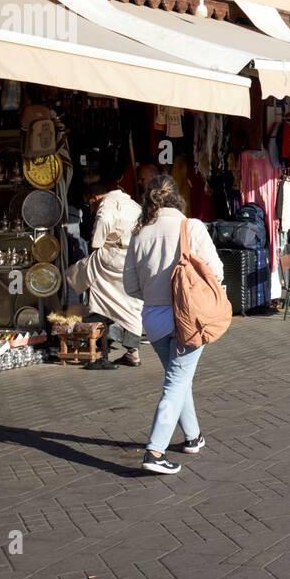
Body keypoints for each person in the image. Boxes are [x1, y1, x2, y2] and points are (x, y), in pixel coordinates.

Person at [124, 174, 224, 476]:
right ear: (176, 197)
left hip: (153, 320)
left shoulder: (139, 234)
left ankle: (193, 436)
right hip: (187, 319)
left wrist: (154, 293)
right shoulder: (190, 227)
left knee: (177, 378)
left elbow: (130, 286)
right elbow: (216, 272)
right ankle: (154, 451)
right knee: (175, 383)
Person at [65, 187, 144, 369]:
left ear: (95, 196)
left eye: (90, 203)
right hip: (132, 258)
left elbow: (98, 239)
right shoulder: (134, 205)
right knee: (132, 306)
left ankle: (102, 351)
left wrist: (96, 245)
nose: (90, 208)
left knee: (92, 290)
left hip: (112, 260)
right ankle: (133, 353)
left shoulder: (107, 206)